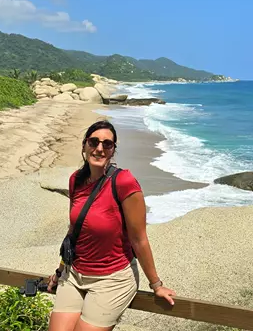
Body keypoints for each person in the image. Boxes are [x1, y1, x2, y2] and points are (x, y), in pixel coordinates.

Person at [46, 120, 176, 331]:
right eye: (94, 142)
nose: (99, 148)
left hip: (112, 279)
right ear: (84, 145)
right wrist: (60, 270)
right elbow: (73, 232)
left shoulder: (124, 182)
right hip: (75, 275)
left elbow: (139, 239)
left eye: (107, 144)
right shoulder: (76, 180)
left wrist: (156, 285)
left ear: (113, 150)